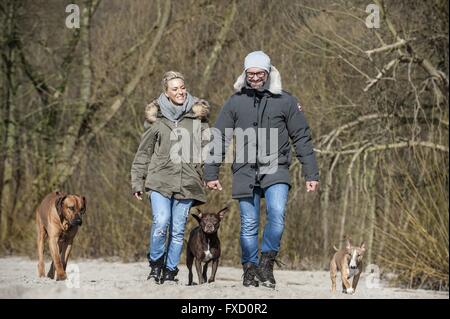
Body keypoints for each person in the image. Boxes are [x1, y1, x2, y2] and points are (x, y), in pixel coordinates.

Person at [204, 51, 319, 288]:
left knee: (276, 215)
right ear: (245, 74)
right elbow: (220, 138)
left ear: (268, 73)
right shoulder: (235, 101)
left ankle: (267, 262)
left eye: (259, 73)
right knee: (248, 223)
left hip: (276, 167)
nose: (255, 77)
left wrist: (311, 173)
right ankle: (249, 268)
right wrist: (211, 172)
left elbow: (302, 137)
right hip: (245, 170)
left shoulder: (286, 101)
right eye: (251, 73)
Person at [131, 71, 210, 284]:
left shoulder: (198, 117)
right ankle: (155, 265)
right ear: (166, 93)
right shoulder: (156, 119)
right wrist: (138, 181)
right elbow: (144, 152)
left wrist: (204, 173)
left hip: (187, 182)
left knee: (177, 229)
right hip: (159, 180)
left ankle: (170, 270)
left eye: (182, 87)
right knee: (161, 222)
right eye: (174, 89)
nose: (180, 92)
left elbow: (207, 149)